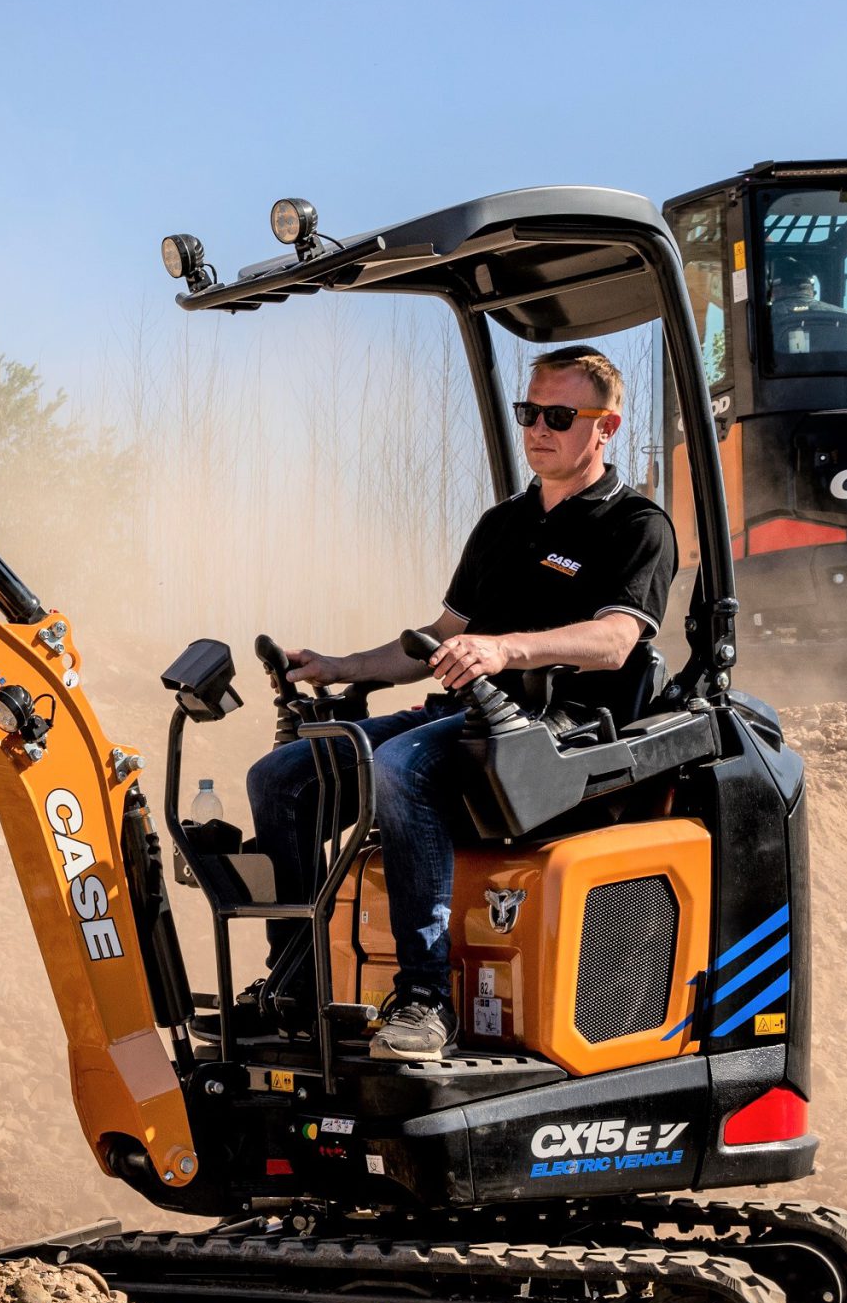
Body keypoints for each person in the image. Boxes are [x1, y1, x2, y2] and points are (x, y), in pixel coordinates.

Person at [246, 345, 677, 1062]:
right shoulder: (502, 526)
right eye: (529, 413)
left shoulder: (635, 526)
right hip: (470, 717)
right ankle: (295, 981)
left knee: (403, 766)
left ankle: (424, 1000)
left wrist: (506, 649)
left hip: (556, 730)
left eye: (560, 416)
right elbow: (442, 636)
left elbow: (615, 641)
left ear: (607, 428)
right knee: (283, 775)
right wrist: (338, 665)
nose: (538, 428)